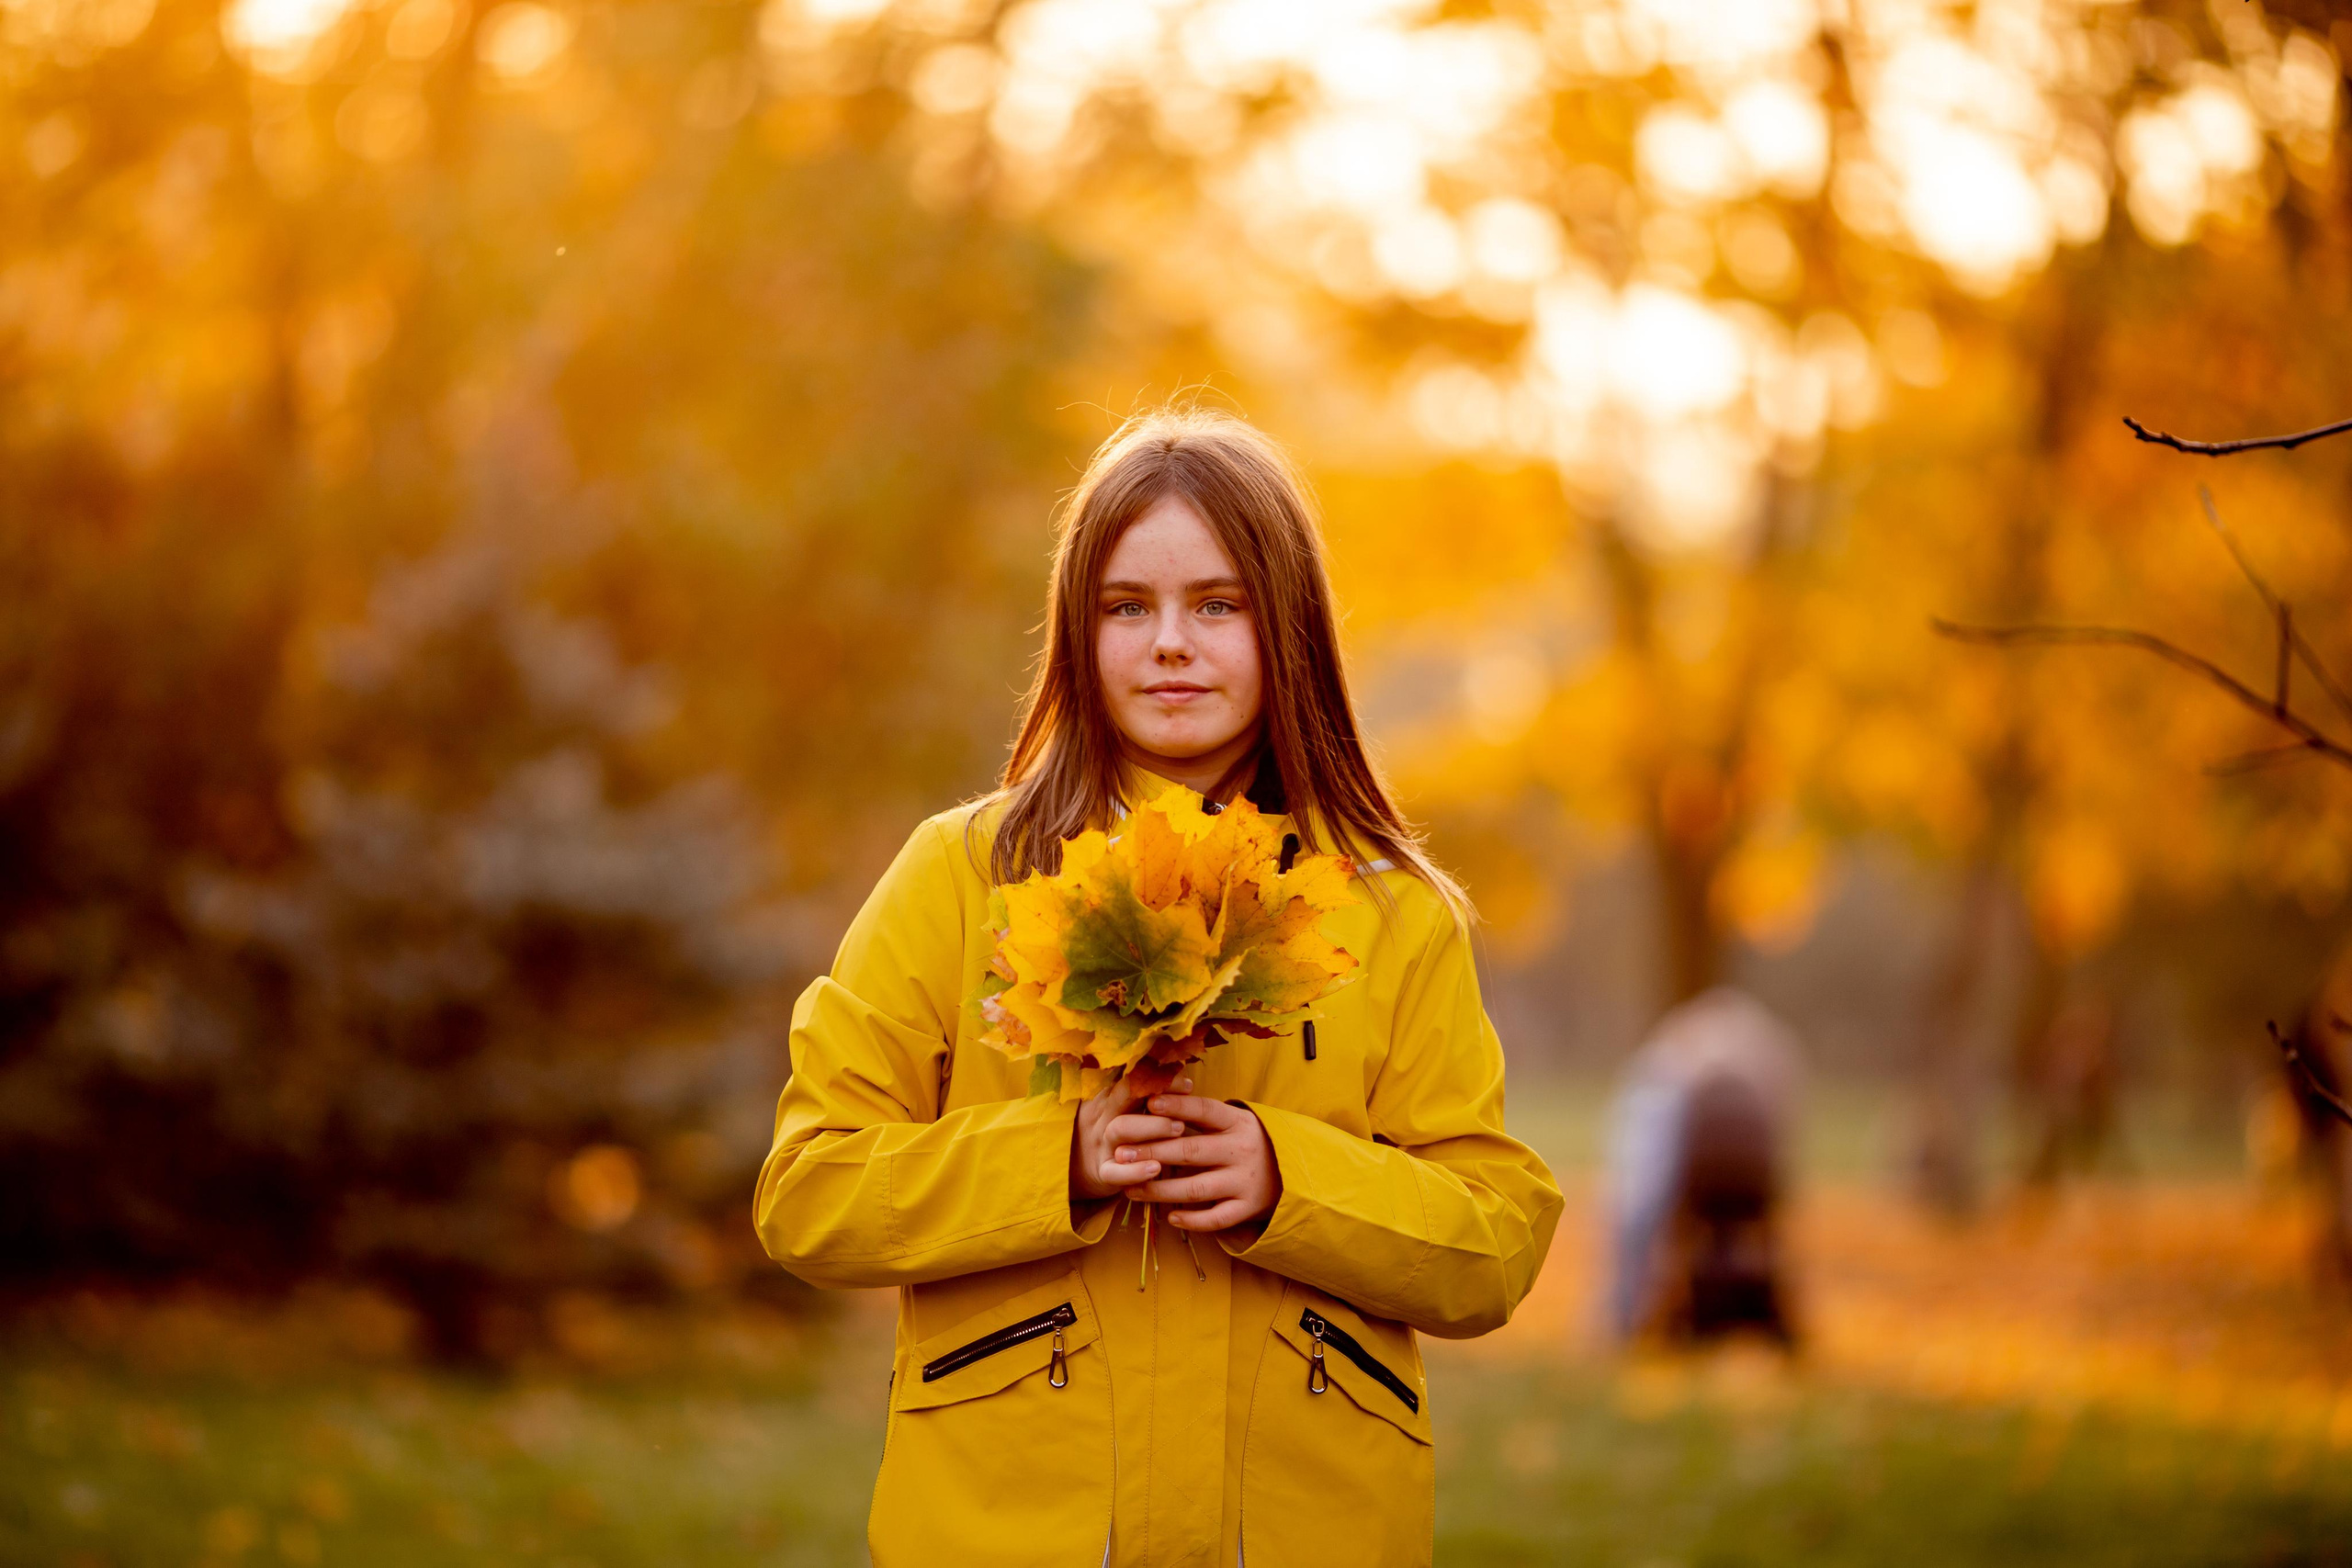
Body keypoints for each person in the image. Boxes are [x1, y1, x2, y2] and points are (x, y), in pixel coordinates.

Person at [754, 407, 1563, 1568]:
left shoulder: (1390, 914)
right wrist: (1058, 1158)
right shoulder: (962, 875)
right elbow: (808, 1189)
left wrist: (1290, 1177)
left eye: (1216, 605)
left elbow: (1492, 1239)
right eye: (1126, 607)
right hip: (1011, 1527)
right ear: (1074, 636)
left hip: (1303, 1527)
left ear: (1288, 630)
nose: (1169, 643)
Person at [1602, 987, 1801, 1347]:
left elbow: (1638, 1205)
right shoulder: (1766, 1049)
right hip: (1751, 1185)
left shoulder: (1664, 1064)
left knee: (1638, 1214)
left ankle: (1623, 1321)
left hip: (1689, 1179)